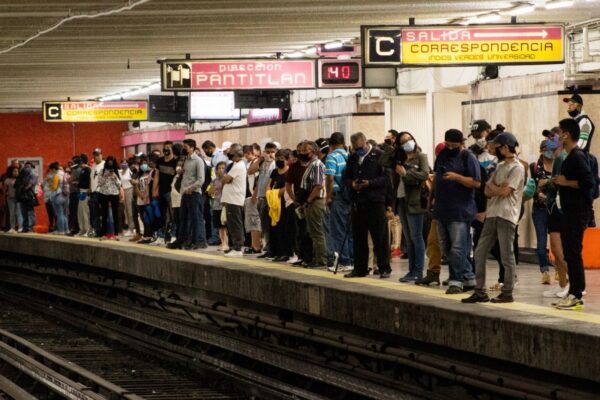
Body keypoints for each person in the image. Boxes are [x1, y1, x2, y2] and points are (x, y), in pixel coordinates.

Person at [462, 132, 525, 304]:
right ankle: (479, 290)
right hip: (492, 213)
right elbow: (487, 189)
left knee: (506, 255)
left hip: (507, 215)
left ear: (505, 148)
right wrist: (498, 189)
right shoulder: (500, 165)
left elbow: (505, 192)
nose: (493, 151)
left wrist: (497, 189)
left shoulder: (517, 168)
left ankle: (507, 291)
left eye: (496, 148)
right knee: (480, 252)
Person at [552, 118, 594, 310]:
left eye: (559, 132)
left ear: (566, 134)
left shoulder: (577, 156)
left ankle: (577, 295)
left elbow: (589, 184)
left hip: (577, 212)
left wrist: (564, 182)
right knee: (570, 253)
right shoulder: (570, 156)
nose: (557, 136)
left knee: (573, 253)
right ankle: (573, 292)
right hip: (569, 212)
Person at [433, 129, 481, 294]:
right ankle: (468, 276)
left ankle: (456, 280)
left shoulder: (468, 157)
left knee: (458, 247)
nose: (450, 148)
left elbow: (476, 183)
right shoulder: (442, 155)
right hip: (442, 209)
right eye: (447, 144)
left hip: (460, 210)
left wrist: (457, 177)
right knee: (446, 247)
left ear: (461, 144)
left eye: (454, 145)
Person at [343, 132, 393, 278]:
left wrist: (369, 184)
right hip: (358, 202)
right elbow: (346, 178)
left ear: (365, 142)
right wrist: (352, 184)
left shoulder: (379, 156)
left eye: (360, 147)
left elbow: (386, 179)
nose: (358, 151)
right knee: (359, 237)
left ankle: (384, 268)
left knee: (380, 237)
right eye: (355, 148)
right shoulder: (352, 158)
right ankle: (360, 268)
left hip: (375, 202)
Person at [395, 132, 429, 282]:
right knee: (408, 238)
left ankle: (418, 270)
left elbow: (425, 174)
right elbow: (383, 161)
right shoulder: (399, 159)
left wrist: (406, 173)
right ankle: (411, 270)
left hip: (415, 201)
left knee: (416, 237)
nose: (407, 142)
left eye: (409, 139)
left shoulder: (421, 156)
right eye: (403, 141)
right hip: (401, 199)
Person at [167, 139, 205, 250]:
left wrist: (191, 188)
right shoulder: (185, 160)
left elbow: (201, 179)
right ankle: (182, 240)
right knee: (183, 218)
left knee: (195, 218)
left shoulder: (198, 161)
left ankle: (198, 241)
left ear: (192, 148)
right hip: (184, 193)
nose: (184, 148)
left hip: (194, 193)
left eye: (186, 146)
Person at [325, 132, 353, 272]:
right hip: (350, 196)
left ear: (331, 144)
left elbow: (330, 178)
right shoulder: (350, 156)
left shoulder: (332, 157)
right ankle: (352, 260)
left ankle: (344, 261)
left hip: (338, 196)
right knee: (349, 231)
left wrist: (328, 197)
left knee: (339, 231)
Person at [530, 139, 557, 284]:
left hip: (554, 208)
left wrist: (546, 183)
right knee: (541, 242)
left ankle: (559, 269)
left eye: (553, 150)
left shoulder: (558, 165)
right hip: (539, 209)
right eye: (548, 150)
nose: (551, 154)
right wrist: (537, 193)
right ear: (541, 150)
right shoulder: (534, 167)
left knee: (556, 242)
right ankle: (544, 271)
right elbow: (531, 187)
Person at [299, 141, 328, 268]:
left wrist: (308, 201)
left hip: (315, 201)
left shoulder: (317, 165)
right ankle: (316, 257)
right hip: (311, 202)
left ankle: (321, 260)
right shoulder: (310, 164)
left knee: (317, 232)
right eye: (301, 151)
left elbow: (318, 186)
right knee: (312, 232)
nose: (303, 154)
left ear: (314, 151)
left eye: (306, 151)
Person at [286, 142, 312, 265]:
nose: (301, 154)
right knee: (300, 231)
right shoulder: (294, 167)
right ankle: (301, 255)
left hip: (311, 202)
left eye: (303, 151)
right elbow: (288, 184)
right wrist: (294, 199)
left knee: (311, 231)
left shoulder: (314, 165)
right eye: (299, 151)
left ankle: (312, 257)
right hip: (299, 203)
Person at [267, 149, 294, 262]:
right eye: (277, 159)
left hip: (284, 203)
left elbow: (287, 187)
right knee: (274, 228)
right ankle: (275, 251)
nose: (279, 161)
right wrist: (269, 194)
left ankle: (285, 252)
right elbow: (269, 185)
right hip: (273, 204)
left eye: (281, 159)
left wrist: (276, 193)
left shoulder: (289, 172)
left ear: (287, 160)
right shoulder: (274, 171)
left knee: (284, 228)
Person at [221, 144, 247, 257]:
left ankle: (237, 248)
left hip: (234, 199)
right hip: (230, 199)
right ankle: (233, 246)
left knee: (236, 224)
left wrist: (225, 177)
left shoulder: (239, 165)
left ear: (236, 152)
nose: (229, 153)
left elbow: (226, 179)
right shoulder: (234, 165)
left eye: (231, 151)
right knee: (231, 224)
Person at [253, 142, 278, 258]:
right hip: (261, 197)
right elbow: (250, 171)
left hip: (271, 197)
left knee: (271, 225)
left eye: (272, 152)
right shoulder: (262, 163)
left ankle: (273, 248)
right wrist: (259, 160)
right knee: (264, 225)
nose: (270, 154)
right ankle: (268, 248)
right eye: (267, 152)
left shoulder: (276, 164)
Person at [153, 141, 177, 241]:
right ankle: (162, 235)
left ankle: (173, 235)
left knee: (172, 215)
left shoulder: (176, 161)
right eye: (165, 147)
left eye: (168, 147)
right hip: (162, 191)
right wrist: (154, 190)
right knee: (162, 215)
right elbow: (157, 175)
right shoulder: (160, 160)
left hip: (172, 191)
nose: (166, 149)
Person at [96, 156, 121, 240]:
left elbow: (119, 185)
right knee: (104, 214)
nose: (110, 164)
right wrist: (105, 176)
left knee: (115, 214)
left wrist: (115, 177)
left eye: (112, 162)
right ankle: (104, 233)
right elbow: (99, 183)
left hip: (114, 194)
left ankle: (116, 233)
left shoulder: (116, 172)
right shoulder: (102, 171)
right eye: (109, 162)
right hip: (104, 193)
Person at [243, 145, 262, 254]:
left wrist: (255, 195)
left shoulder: (257, 163)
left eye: (248, 153)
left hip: (255, 196)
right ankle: (254, 244)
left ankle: (256, 246)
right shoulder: (250, 164)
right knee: (251, 222)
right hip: (251, 195)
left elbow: (258, 180)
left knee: (254, 221)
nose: (246, 156)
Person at [208, 161, 228, 252]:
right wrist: (213, 189)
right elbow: (209, 192)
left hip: (224, 205)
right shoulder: (214, 180)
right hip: (216, 205)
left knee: (224, 226)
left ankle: (225, 243)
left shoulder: (227, 179)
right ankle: (222, 242)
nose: (221, 170)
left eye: (223, 168)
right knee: (219, 226)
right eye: (219, 168)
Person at [15, 165, 37, 233]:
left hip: (22, 197)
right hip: (28, 197)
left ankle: (26, 227)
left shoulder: (20, 177)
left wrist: (22, 189)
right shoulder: (31, 176)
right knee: (29, 212)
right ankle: (29, 228)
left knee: (25, 213)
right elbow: (30, 185)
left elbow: (16, 186)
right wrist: (24, 188)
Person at [90, 148, 105, 237]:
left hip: (102, 192)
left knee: (103, 214)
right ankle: (97, 231)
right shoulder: (93, 166)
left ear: (101, 155)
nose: (96, 157)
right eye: (95, 155)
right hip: (94, 192)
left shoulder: (104, 165)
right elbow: (91, 178)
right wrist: (90, 189)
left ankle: (105, 231)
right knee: (94, 214)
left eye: (98, 155)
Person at [77, 154, 92, 236]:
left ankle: (87, 230)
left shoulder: (88, 169)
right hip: (81, 191)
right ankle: (82, 229)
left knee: (85, 212)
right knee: (80, 212)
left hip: (85, 192)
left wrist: (89, 191)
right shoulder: (82, 170)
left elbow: (90, 180)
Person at [4, 167, 22, 233]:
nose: (16, 172)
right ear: (11, 172)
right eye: (14, 171)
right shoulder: (7, 180)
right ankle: (12, 228)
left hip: (18, 198)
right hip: (10, 198)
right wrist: (6, 193)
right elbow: (5, 189)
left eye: (17, 171)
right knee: (12, 213)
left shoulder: (20, 179)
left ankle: (20, 227)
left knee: (19, 213)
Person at [120, 159, 134, 236]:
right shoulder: (120, 172)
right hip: (124, 190)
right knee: (126, 211)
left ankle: (132, 228)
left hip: (129, 190)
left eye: (125, 162)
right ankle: (129, 227)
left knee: (130, 210)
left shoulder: (130, 171)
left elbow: (133, 181)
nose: (123, 164)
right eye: (122, 162)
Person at [68, 156, 81, 235]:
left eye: (73, 162)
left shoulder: (79, 170)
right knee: (72, 211)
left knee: (75, 212)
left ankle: (76, 228)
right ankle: (73, 228)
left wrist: (74, 182)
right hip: (72, 192)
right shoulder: (73, 170)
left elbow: (79, 181)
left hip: (76, 192)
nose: (71, 164)